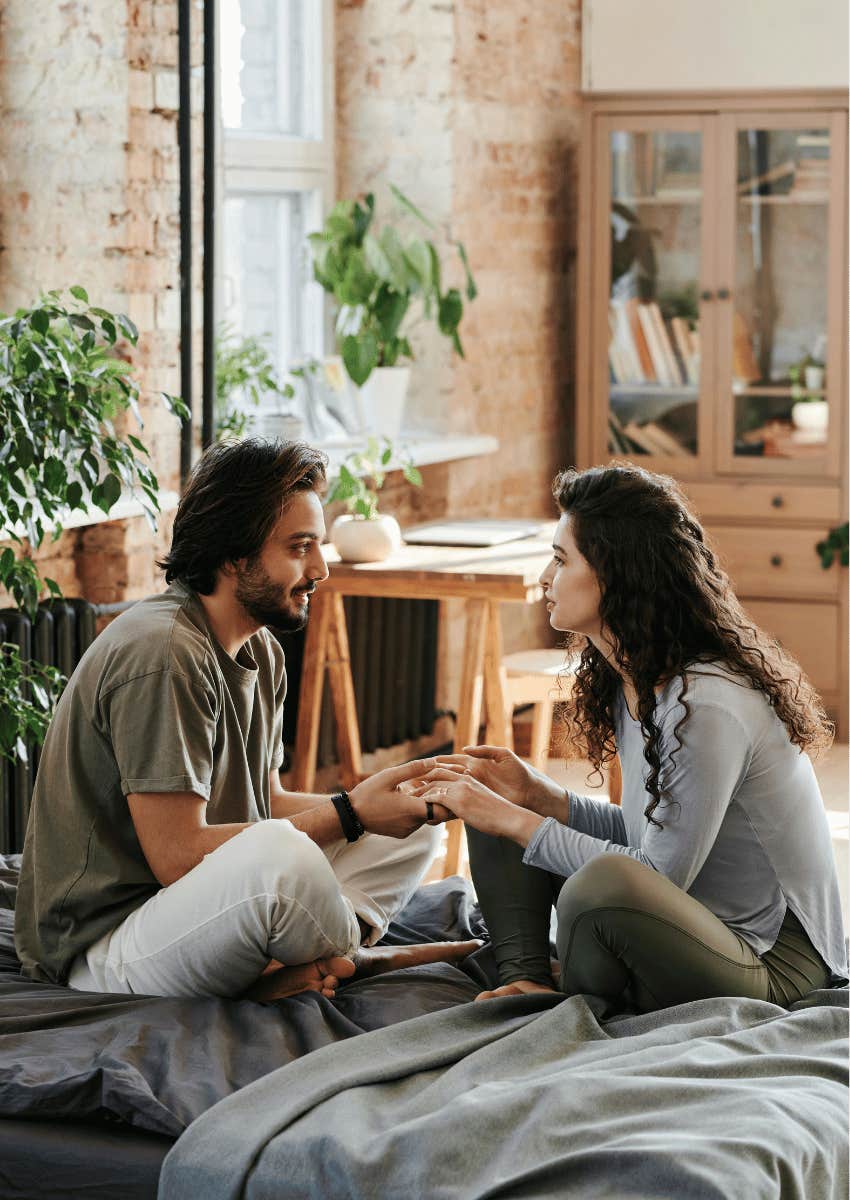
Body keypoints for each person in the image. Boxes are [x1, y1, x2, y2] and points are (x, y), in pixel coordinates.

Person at [15, 438, 476, 1002]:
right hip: (103, 946)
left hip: (191, 912)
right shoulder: (163, 653)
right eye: (300, 547)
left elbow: (264, 802)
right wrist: (349, 812)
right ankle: (355, 957)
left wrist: (380, 801)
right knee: (282, 855)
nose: (321, 569)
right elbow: (178, 856)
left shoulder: (261, 651)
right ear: (234, 555)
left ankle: (319, 958)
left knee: (404, 831)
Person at [418, 463, 847, 1014]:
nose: (545, 579)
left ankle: (577, 979)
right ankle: (525, 978)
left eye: (561, 559)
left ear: (617, 573)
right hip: (693, 924)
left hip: (770, 961)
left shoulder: (706, 704)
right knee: (499, 800)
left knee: (594, 883)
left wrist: (521, 822)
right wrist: (536, 799)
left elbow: (655, 875)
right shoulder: (637, 680)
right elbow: (655, 839)